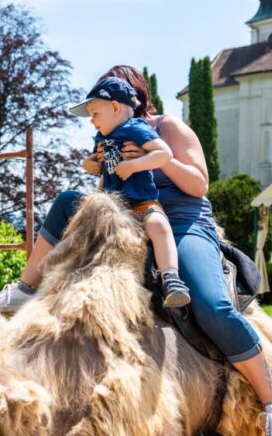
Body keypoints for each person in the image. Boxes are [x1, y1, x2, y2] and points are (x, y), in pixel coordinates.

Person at [0, 65, 272, 436]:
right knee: (70, 201)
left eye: (103, 107)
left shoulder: (168, 129)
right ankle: (24, 289)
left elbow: (199, 185)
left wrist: (151, 157)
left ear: (128, 101)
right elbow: (109, 192)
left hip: (182, 223)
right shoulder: (110, 137)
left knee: (211, 305)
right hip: (131, 219)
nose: (98, 117)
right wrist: (106, 168)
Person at [69, 77, 190, 307]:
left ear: (114, 107)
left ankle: (171, 278)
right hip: (114, 207)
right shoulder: (102, 137)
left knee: (159, 226)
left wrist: (134, 165)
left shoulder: (136, 128)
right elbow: (96, 161)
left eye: (95, 114)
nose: (92, 121)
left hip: (142, 201)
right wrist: (89, 164)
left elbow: (164, 154)